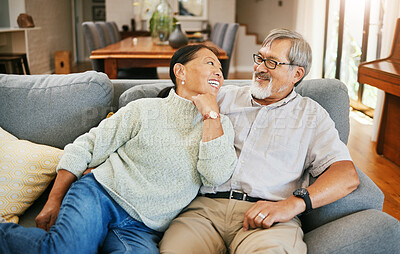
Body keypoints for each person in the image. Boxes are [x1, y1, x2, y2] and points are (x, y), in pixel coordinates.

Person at [0, 44, 237, 254]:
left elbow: (214, 176)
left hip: (142, 228)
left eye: (220, 67)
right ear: (180, 71)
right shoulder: (144, 109)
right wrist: (54, 200)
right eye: (209, 63)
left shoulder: (219, 125)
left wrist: (210, 116)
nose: (218, 71)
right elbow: (87, 146)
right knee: (65, 249)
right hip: (99, 196)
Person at [159, 29, 360, 253]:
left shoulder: (311, 115)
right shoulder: (223, 97)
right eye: (260, 58)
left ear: (297, 74)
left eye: (272, 62)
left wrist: (292, 205)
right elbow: (170, 108)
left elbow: (346, 175)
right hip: (203, 212)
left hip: (269, 218)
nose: (260, 68)